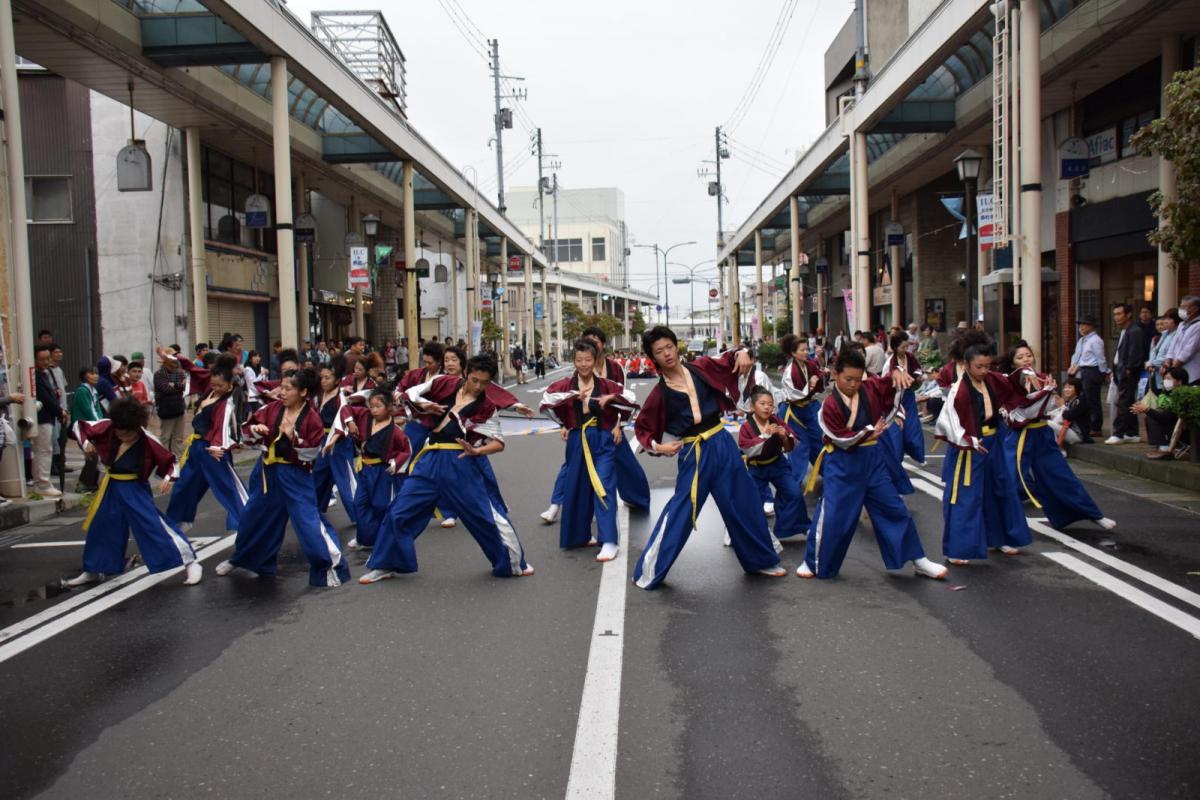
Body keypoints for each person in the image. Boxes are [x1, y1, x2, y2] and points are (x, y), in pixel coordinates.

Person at [631, 327, 785, 589]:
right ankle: (650, 569)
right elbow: (643, 429)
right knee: (682, 510)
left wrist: (745, 353)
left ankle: (760, 561)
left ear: (676, 346)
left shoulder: (700, 367)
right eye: (659, 351)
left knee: (743, 500)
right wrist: (661, 447)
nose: (667, 354)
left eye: (669, 347)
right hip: (694, 451)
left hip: (721, 441)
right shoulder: (660, 393)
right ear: (653, 359)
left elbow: (732, 358)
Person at [359, 354, 533, 583]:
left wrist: (477, 451)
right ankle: (386, 563)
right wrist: (423, 404)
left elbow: (498, 442)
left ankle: (512, 562)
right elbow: (410, 393)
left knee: (483, 515)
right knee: (399, 510)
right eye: (474, 380)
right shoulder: (444, 383)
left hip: (460, 461)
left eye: (484, 382)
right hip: (429, 459)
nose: (478, 386)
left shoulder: (486, 406)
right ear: (466, 374)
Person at [796, 348, 946, 580]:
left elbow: (891, 383)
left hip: (872, 461)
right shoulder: (829, 406)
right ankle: (813, 561)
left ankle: (918, 559)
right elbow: (841, 438)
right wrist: (868, 431)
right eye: (848, 379)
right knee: (835, 516)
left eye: (858, 379)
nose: (854, 384)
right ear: (835, 374)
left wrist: (897, 372)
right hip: (842, 463)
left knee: (894, 509)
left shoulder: (870, 387)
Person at [217, 368, 351, 587]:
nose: (283, 392)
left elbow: (312, 452)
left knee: (308, 522)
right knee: (254, 517)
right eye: (282, 387)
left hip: (296, 475)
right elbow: (247, 432)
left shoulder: (312, 418)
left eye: (289, 388)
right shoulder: (271, 409)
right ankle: (243, 558)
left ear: (303, 392)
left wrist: (293, 438)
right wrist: (256, 430)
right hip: (268, 472)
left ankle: (329, 567)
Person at [65, 397, 202, 587]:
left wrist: (169, 478)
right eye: (120, 434)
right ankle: (94, 568)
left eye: (128, 435)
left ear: (137, 427)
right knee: (102, 527)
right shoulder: (107, 427)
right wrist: (86, 442)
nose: (124, 438)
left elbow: (171, 461)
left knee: (153, 525)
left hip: (134, 487)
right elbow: (78, 427)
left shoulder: (148, 440)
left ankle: (189, 562)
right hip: (111, 485)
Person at [935, 343, 1042, 563]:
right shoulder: (960, 389)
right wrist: (968, 440)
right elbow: (949, 422)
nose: (984, 371)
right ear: (966, 365)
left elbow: (1012, 386)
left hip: (994, 441)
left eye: (987, 366)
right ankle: (959, 548)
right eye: (979, 367)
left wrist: (1026, 377)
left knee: (1000, 488)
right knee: (966, 496)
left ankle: (1000, 537)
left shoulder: (992, 379)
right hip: (969, 445)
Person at [540, 339, 638, 562]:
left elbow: (630, 402)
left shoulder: (606, 385)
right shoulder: (565, 385)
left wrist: (612, 406)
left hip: (602, 438)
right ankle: (579, 535)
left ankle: (609, 540)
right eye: (579, 360)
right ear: (573, 361)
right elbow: (545, 403)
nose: (583, 364)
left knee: (603, 485)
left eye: (588, 360)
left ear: (595, 361)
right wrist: (567, 414)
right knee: (577, 486)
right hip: (577, 438)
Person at [542, 327, 651, 522]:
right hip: (584, 427)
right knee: (571, 465)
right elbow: (565, 402)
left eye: (596, 341)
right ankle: (555, 504)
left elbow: (622, 399)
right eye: (587, 340)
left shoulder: (616, 368)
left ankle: (639, 498)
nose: (592, 345)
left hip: (610, 425)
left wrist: (619, 425)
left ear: (602, 345)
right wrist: (564, 425)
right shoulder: (580, 367)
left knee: (626, 463)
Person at [1004, 341, 1115, 532]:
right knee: (1008, 477)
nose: (1025, 360)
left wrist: (1048, 395)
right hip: (1020, 435)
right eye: (1020, 357)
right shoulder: (1010, 381)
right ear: (1013, 362)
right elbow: (1021, 411)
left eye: (1028, 355)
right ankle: (1000, 524)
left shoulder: (1042, 377)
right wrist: (1044, 394)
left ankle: (1092, 513)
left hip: (1042, 433)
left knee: (1060, 475)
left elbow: (1052, 407)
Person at [157, 350, 248, 537]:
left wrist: (218, 446)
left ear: (230, 384)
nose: (216, 387)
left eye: (221, 385)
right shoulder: (211, 386)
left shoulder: (228, 401)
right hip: (196, 449)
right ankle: (175, 524)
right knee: (184, 487)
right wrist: (172, 357)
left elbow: (223, 426)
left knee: (228, 489)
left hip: (214, 450)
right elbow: (190, 366)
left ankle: (246, 524)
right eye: (213, 383)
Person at [325, 386, 410, 550]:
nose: (374, 410)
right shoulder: (364, 416)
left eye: (379, 407)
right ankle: (366, 538)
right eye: (372, 406)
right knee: (360, 503)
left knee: (380, 505)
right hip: (364, 469)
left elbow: (406, 451)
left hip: (382, 471)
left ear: (389, 407)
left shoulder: (396, 432)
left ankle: (383, 539)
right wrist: (349, 422)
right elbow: (346, 408)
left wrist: (395, 463)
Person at [738, 386, 810, 540]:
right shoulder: (746, 427)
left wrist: (785, 437)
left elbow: (791, 445)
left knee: (794, 493)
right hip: (756, 468)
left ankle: (796, 527)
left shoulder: (777, 420)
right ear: (752, 406)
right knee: (750, 501)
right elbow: (747, 448)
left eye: (770, 404)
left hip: (777, 464)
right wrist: (765, 435)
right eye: (762, 403)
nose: (767, 407)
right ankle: (745, 533)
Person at [1106, 303, 1145, 444]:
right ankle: (1132, 432)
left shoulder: (1135, 330)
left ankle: (1119, 433)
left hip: (1128, 371)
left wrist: (1128, 369)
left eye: (1119, 314)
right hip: (1119, 369)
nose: (1116, 317)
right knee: (1128, 402)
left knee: (1123, 402)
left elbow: (1135, 353)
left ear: (1128, 314)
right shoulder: (1125, 330)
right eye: (1115, 314)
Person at [1134, 366, 1191, 459]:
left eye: (1168, 379)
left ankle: (1165, 449)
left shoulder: (1183, 396)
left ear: (1179, 381)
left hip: (1184, 431)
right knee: (1151, 416)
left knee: (1151, 417)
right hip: (1173, 427)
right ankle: (1163, 446)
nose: (1165, 381)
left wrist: (1147, 410)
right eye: (1164, 379)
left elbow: (1168, 416)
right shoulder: (1166, 395)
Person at [1067, 314, 1108, 438]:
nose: (1081, 327)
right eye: (1080, 325)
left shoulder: (1096, 340)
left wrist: (1103, 372)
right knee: (1083, 398)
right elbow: (1077, 355)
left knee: (1092, 399)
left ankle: (1096, 427)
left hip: (1092, 370)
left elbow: (1101, 358)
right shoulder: (1082, 340)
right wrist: (1073, 366)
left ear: (1091, 326)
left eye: (1084, 324)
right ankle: (1087, 423)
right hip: (1082, 370)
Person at [32, 345, 65, 496]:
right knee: (44, 450)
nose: (46, 362)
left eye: (47, 358)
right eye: (42, 359)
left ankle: (43, 482)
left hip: (48, 416)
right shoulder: (36, 376)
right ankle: (42, 483)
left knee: (45, 449)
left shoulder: (45, 373)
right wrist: (59, 410)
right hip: (42, 417)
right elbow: (46, 398)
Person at [153, 349, 189, 458]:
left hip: (179, 407)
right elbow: (166, 389)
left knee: (178, 437)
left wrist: (175, 385)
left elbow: (185, 387)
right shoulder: (159, 374)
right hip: (166, 409)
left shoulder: (179, 372)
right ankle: (164, 459)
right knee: (165, 437)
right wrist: (177, 386)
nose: (175, 366)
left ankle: (178, 459)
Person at [1163, 296, 1200, 384]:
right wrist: (1168, 358)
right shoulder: (1182, 324)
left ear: (1195, 309)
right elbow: (1174, 343)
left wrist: (1175, 365)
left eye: (1184, 307)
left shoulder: (1198, 325)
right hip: (1177, 370)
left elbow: (1190, 349)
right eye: (1180, 306)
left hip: (1191, 371)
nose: (1181, 310)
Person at [1147, 309, 1178, 392]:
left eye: (1169, 319)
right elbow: (1155, 351)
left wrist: (1152, 363)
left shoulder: (1176, 334)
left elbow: (1168, 355)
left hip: (1168, 372)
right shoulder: (1164, 335)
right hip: (1156, 371)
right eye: (1165, 319)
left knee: (1166, 393)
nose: (1166, 322)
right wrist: (1151, 363)